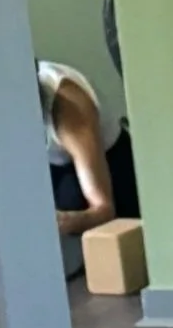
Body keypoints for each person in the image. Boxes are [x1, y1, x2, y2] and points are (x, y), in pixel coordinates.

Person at [41, 59, 137, 270]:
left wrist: (63, 221)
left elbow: (103, 209)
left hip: (112, 166)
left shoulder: (67, 104)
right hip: (56, 165)